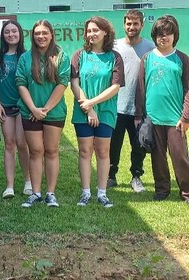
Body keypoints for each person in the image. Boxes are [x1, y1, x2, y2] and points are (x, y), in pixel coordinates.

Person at [71, 16, 124, 208]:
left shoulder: (115, 57)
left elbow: (115, 86)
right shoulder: (79, 55)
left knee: (103, 151)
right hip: (83, 112)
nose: (91, 34)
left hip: (106, 111)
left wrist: (93, 104)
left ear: (105, 33)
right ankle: (86, 192)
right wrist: (88, 108)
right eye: (89, 30)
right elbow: (75, 83)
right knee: (85, 151)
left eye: (96, 30)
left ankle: (102, 193)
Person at [16, 20, 70, 208]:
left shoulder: (61, 56)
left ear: (51, 34)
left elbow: (63, 84)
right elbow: (21, 83)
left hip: (53, 113)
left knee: (52, 151)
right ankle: (36, 193)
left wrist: (44, 110)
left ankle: (50, 194)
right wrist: (33, 108)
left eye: (44, 33)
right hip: (30, 112)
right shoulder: (25, 58)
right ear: (33, 36)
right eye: (37, 33)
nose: (41, 36)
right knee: (36, 151)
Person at [135, 15, 189, 202]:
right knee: (158, 157)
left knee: (180, 156)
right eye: (159, 34)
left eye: (167, 33)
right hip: (153, 117)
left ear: (175, 35)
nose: (163, 37)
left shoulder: (182, 59)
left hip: (176, 119)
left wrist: (186, 117)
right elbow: (140, 88)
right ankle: (162, 189)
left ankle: (186, 191)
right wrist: (139, 116)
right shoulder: (147, 59)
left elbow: (188, 89)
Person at [107, 9, 155, 192]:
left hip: (139, 108)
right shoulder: (114, 46)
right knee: (114, 144)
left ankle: (136, 176)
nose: (131, 27)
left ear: (142, 25)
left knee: (138, 145)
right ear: (123, 24)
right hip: (116, 106)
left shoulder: (150, 48)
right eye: (128, 23)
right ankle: (111, 176)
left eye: (135, 24)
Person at [0, 20, 32, 198]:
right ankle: (9, 186)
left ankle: (28, 181)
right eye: (7, 32)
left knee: (22, 144)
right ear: (3, 35)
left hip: (23, 106)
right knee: (9, 144)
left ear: (20, 33)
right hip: (5, 107)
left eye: (14, 31)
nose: (11, 35)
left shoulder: (27, 55)